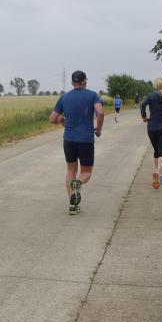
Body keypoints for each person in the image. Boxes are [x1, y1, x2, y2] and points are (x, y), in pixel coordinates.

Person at [49, 70, 105, 215]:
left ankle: (73, 205)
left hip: (69, 139)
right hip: (86, 139)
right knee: (86, 172)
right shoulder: (92, 95)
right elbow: (100, 112)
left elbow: (52, 118)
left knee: (71, 170)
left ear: (72, 82)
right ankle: (78, 183)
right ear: (85, 81)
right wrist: (98, 129)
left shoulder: (64, 97)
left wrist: (62, 120)